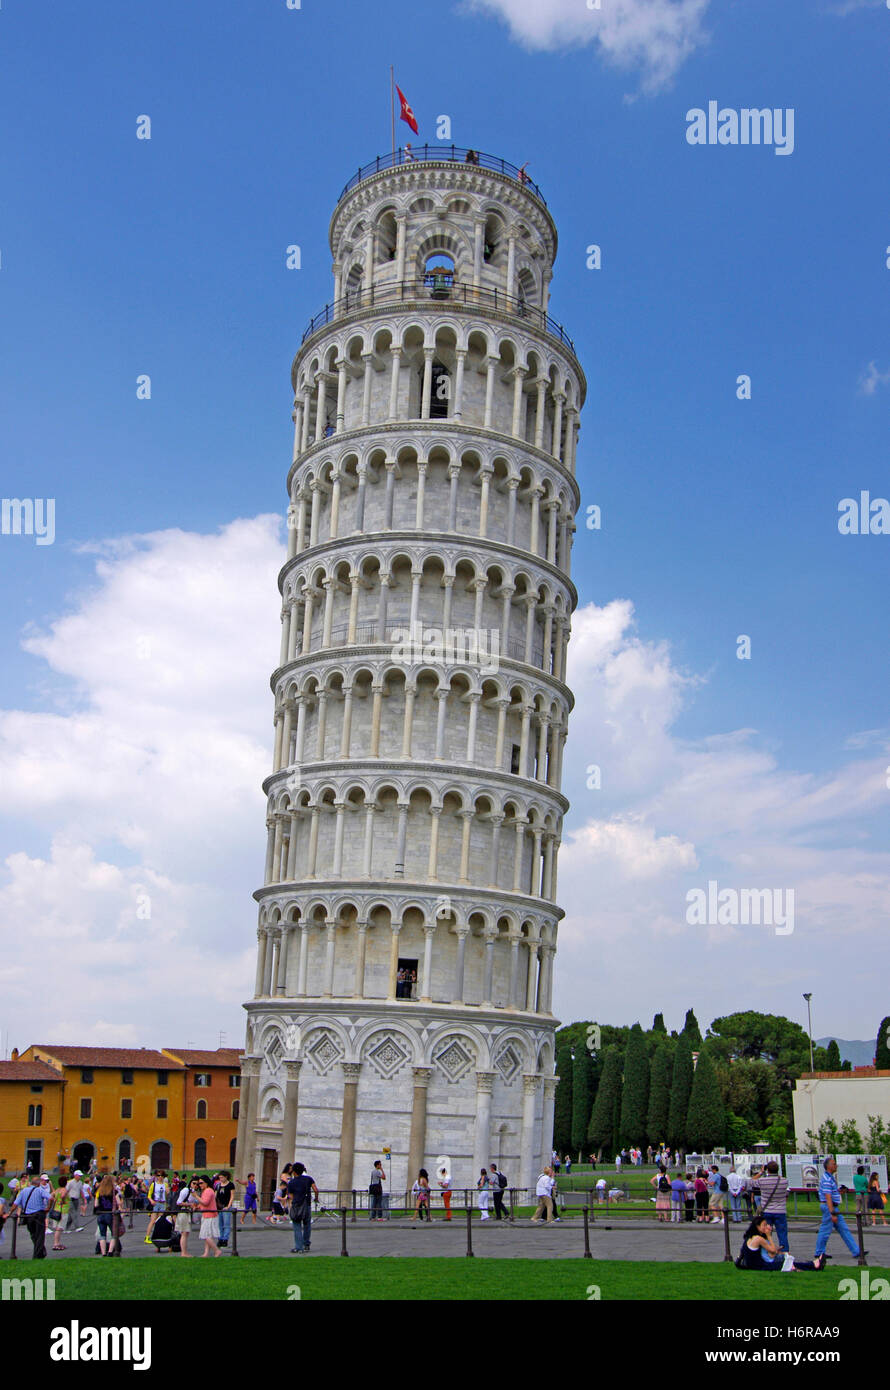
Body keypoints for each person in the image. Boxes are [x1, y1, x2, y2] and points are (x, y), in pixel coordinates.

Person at [737, 1216, 824, 1271]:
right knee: (787, 1263)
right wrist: (769, 1235)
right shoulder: (758, 1239)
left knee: (789, 1263)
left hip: (753, 1265)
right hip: (760, 1266)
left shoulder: (749, 1237)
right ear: (757, 1227)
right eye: (764, 1225)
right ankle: (814, 1265)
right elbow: (773, 1251)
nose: (766, 1227)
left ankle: (813, 1264)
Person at [815, 1157, 861, 1261]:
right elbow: (828, 1196)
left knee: (844, 1229)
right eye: (834, 1164)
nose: (836, 1166)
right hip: (829, 1208)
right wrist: (832, 1213)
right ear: (829, 1166)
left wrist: (839, 1192)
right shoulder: (827, 1179)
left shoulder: (830, 1177)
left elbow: (831, 1193)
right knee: (825, 1230)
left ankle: (856, 1250)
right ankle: (819, 1252)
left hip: (833, 1207)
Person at [12, 1173, 51, 1259]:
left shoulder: (24, 1191)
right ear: (38, 1183)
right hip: (39, 1214)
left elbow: (15, 1203)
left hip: (28, 1216)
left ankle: (39, 1252)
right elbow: (51, 1198)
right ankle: (38, 1254)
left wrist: (10, 1212)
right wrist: (48, 1208)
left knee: (33, 1234)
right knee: (40, 1235)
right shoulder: (40, 1190)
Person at [756, 1160, 789, 1251]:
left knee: (765, 1233)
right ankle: (784, 1253)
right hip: (780, 1211)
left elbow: (751, 1182)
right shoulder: (784, 1181)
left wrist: (761, 1172)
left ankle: (767, 1251)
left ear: (767, 1170)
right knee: (782, 1234)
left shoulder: (762, 1181)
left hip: (767, 1211)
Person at [287, 1162, 318, 1253]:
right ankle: (306, 1244)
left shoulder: (291, 1182)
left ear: (294, 1172)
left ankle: (298, 1247)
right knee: (307, 1225)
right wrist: (316, 1198)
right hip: (307, 1205)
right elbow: (316, 1190)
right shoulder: (308, 1179)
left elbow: (291, 1196)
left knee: (297, 1225)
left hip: (297, 1205)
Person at [196, 1175, 222, 1257]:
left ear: (206, 1183)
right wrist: (197, 1206)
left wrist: (195, 1196)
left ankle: (217, 1250)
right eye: (199, 1183)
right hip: (207, 1214)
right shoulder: (206, 1191)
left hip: (210, 1215)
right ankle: (206, 1253)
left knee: (206, 1235)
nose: (200, 1185)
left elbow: (205, 1202)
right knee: (208, 1235)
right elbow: (203, 1204)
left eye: (201, 1183)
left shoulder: (208, 1191)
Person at [94, 1174, 120, 1257]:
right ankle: (110, 1251)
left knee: (102, 1235)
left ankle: (103, 1253)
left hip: (101, 1214)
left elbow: (96, 1204)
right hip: (110, 1214)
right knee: (113, 1234)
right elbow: (118, 1202)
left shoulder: (99, 1191)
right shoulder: (113, 1191)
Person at [145, 1170, 169, 1243]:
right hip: (156, 1203)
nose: (160, 1177)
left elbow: (167, 1195)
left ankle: (157, 1236)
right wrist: (152, 1201)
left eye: (161, 1175)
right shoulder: (154, 1184)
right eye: (158, 1175)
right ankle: (147, 1237)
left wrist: (168, 1193)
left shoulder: (165, 1185)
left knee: (159, 1221)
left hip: (163, 1203)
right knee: (152, 1221)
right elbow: (149, 1195)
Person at [47, 1178, 69, 1251]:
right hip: (63, 1210)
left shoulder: (57, 1190)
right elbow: (63, 1196)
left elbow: (50, 1197)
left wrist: (50, 1205)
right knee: (59, 1228)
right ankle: (56, 1244)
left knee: (57, 1227)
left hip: (56, 1209)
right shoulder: (64, 1190)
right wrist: (62, 1201)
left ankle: (57, 1242)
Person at [175, 1177, 195, 1256]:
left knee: (186, 1233)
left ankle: (184, 1252)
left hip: (187, 1212)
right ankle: (183, 1253)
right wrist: (189, 1204)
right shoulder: (186, 1190)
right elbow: (179, 1202)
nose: (195, 1185)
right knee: (184, 1233)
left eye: (197, 1184)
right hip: (183, 1212)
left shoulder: (193, 1192)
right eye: (194, 1183)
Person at [215, 1170, 235, 1247]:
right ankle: (220, 1238)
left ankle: (225, 1239)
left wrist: (228, 1206)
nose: (221, 1179)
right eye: (220, 1178)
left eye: (222, 1177)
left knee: (226, 1224)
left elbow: (232, 1196)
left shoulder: (230, 1185)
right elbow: (215, 1195)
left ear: (226, 1177)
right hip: (219, 1207)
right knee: (219, 1224)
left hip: (226, 1206)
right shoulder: (218, 1185)